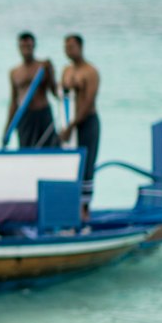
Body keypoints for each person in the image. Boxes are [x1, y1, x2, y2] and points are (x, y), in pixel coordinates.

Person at [60, 34, 101, 220]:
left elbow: (88, 101)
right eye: (66, 47)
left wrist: (73, 125)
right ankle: (69, 206)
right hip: (69, 125)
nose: (68, 50)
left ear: (81, 47)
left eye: (72, 46)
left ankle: (84, 210)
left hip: (87, 123)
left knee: (87, 166)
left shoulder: (90, 71)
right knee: (69, 166)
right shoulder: (66, 70)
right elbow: (62, 98)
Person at [4, 32, 59, 148]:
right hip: (25, 116)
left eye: (29, 46)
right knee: (25, 148)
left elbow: (55, 92)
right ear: (19, 48)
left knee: (49, 146)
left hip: (42, 113)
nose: (26, 50)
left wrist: (51, 73)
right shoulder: (14, 72)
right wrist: (7, 128)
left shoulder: (43, 66)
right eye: (23, 46)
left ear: (34, 46)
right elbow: (13, 102)